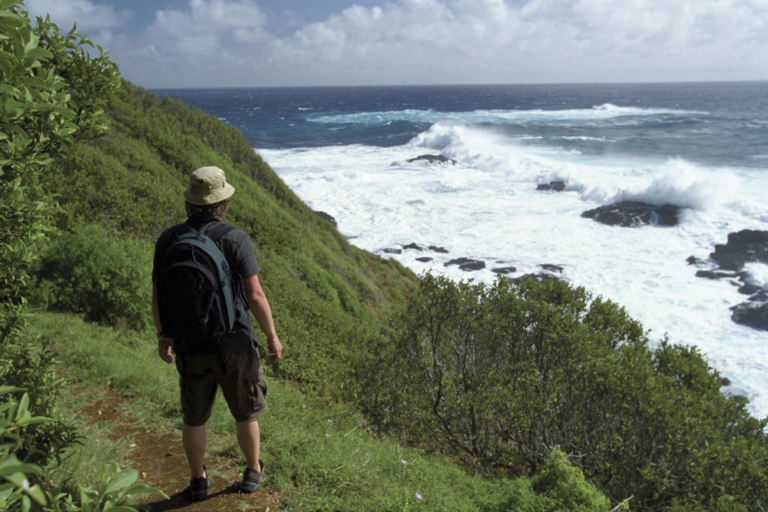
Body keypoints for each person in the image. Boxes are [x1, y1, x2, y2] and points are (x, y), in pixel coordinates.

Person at [151, 166, 283, 501]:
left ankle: (198, 480)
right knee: (246, 411)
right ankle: (253, 471)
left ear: (190, 202)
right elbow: (255, 295)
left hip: (189, 343)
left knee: (194, 418)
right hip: (235, 342)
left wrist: (164, 333)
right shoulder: (235, 238)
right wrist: (271, 335)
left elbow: (158, 294)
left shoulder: (169, 240)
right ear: (221, 203)